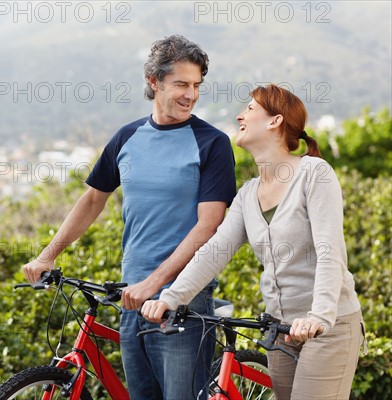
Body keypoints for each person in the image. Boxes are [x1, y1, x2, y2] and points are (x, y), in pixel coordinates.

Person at [23, 34, 237, 399]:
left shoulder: (211, 143)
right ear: (153, 82)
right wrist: (49, 253)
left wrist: (154, 284)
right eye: (181, 84)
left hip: (184, 298)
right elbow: (92, 199)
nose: (191, 94)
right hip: (131, 295)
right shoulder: (127, 138)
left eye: (197, 85)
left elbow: (209, 225)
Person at [142, 84, 365, 400]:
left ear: (275, 121)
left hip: (329, 325)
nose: (239, 115)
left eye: (249, 109)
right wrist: (170, 297)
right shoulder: (248, 194)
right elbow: (215, 252)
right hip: (281, 331)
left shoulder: (314, 174)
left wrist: (319, 317)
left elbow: (330, 252)